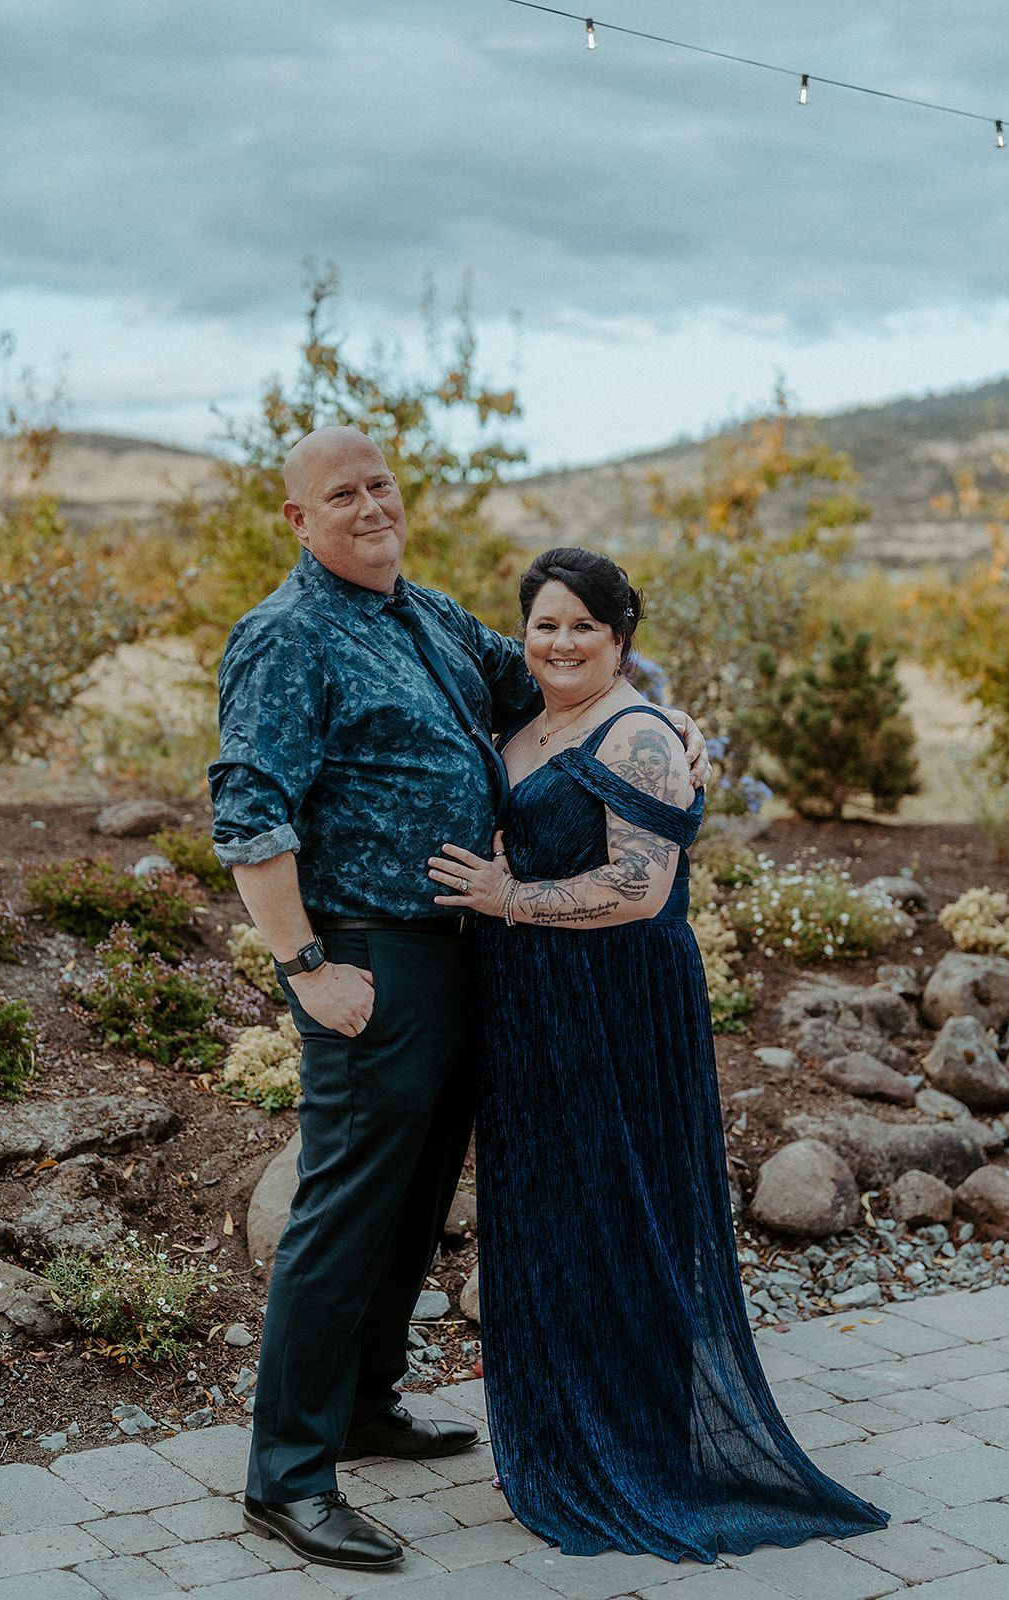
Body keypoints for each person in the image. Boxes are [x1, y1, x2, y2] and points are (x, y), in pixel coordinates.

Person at [208, 430, 710, 1572]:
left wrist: (664, 721)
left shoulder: (427, 615)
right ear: (298, 519)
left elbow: (562, 680)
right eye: (341, 493)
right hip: (370, 955)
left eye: (380, 484)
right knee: (344, 1209)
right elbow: (248, 812)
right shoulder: (287, 635)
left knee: (414, 1195)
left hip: (464, 951)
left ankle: (365, 1403)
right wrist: (306, 966)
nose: (369, 505)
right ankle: (287, 1476)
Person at [427, 546, 889, 1564]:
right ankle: (563, 1431)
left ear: (620, 636)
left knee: (618, 1207)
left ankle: (629, 1446)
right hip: (532, 1004)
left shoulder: (638, 733)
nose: (560, 643)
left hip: (616, 1002)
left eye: (582, 627)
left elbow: (637, 889)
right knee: (550, 1211)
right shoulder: (527, 721)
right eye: (544, 625)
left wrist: (507, 897)